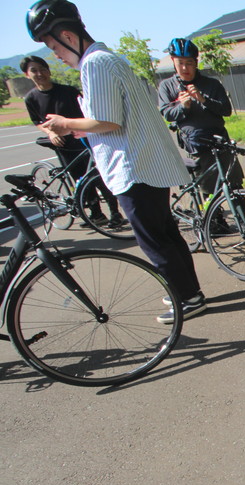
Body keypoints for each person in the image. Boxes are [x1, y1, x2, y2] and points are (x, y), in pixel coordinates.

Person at [26, 0, 206, 324]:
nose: (56, 55)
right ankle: (189, 291)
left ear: (67, 36)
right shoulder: (109, 59)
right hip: (147, 163)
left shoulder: (95, 64)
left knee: (154, 239)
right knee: (166, 233)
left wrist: (66, 123)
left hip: (134, 167)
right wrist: (83, 128)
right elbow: (114, 118)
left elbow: (107, 121)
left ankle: (187, 298)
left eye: (54, 47)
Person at [21, 53, 125, 227]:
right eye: (34, 70)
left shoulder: (68, 91)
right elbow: (38, 121)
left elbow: (88, 113)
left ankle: (115, 214)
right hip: (63, 145)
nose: (40, 73)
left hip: (84, 140)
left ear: (49, 71)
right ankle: (96, 214)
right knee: (80, 179)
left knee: (98, 176)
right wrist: (50, 133)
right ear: (27, 74)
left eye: (43, 69)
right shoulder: (31, 98)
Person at [157, 38, 244, 197]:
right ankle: (210, 212)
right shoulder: (167, 86)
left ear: (196, 63)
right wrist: (183, 106)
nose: (185, 68)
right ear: (173, 61)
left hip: (220, 143)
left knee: (235, 185)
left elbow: (226, 110)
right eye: (180, 63)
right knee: (207, 191)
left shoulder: (212, 84)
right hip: (196, 146)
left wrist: (204, 100)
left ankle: (240, 213)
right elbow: (167, 114)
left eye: (189, 63)